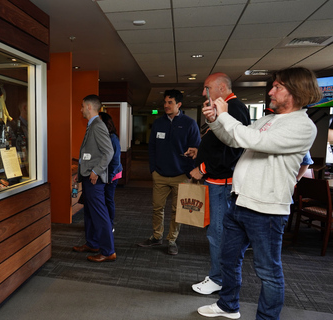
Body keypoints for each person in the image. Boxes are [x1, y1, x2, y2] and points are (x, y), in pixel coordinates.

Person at [197, 67, 322, 319]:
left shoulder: (303, 126)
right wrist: (215, 121)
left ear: (296, 92)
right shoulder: (269, 119)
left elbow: (254, 141)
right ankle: (228, 306)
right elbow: (235, 139)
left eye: (278, 87)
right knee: (228, 260)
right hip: (240, 202)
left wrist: (224, 115)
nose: (271, 91)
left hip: (267, 210)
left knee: (268, 272)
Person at [188, 73, 250, 295]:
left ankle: (218, 279)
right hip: (217, 181)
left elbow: (232, 150)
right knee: (216, 231)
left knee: (218, 233)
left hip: (222, 182)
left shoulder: (234, 108)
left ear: (222, 88)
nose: (204, 92)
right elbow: (220, 143)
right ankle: (219, 276)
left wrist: (203, 168)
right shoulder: (227, 108)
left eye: (207, 88)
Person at [138, 89, 201, 255]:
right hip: (159, 174)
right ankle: (156, 236)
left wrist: (189, 172)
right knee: (157, 207)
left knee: (176, 210)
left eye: (170, 102)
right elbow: (151, 147)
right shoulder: (159, 123)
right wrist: (153, 169)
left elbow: (197, 149)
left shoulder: (189, 124)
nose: (166, 105)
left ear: (179, 104)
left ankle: (171, 239)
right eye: (165, 102)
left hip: (181, 175)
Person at [73, 94, 115, 262]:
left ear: (89, 107)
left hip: (94, 179)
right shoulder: (92, 125)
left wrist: (96, 171)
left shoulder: (97, 125)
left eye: (82, 106)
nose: (81, 109)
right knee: (90, 213)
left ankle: (108, 251)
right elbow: (89, 154)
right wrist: (81, 169)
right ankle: (93, 243)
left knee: (99, 214)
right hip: (87, 175)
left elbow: (109, 152)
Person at [99, 112, 123, 231]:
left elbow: (115, 159)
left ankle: (110, 225)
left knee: (108, 199)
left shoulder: (112, 138)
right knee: (103, 199)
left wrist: (110, 176)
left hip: (112, 174)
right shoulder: (103, 136)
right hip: (105, 174)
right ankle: (104, 223)